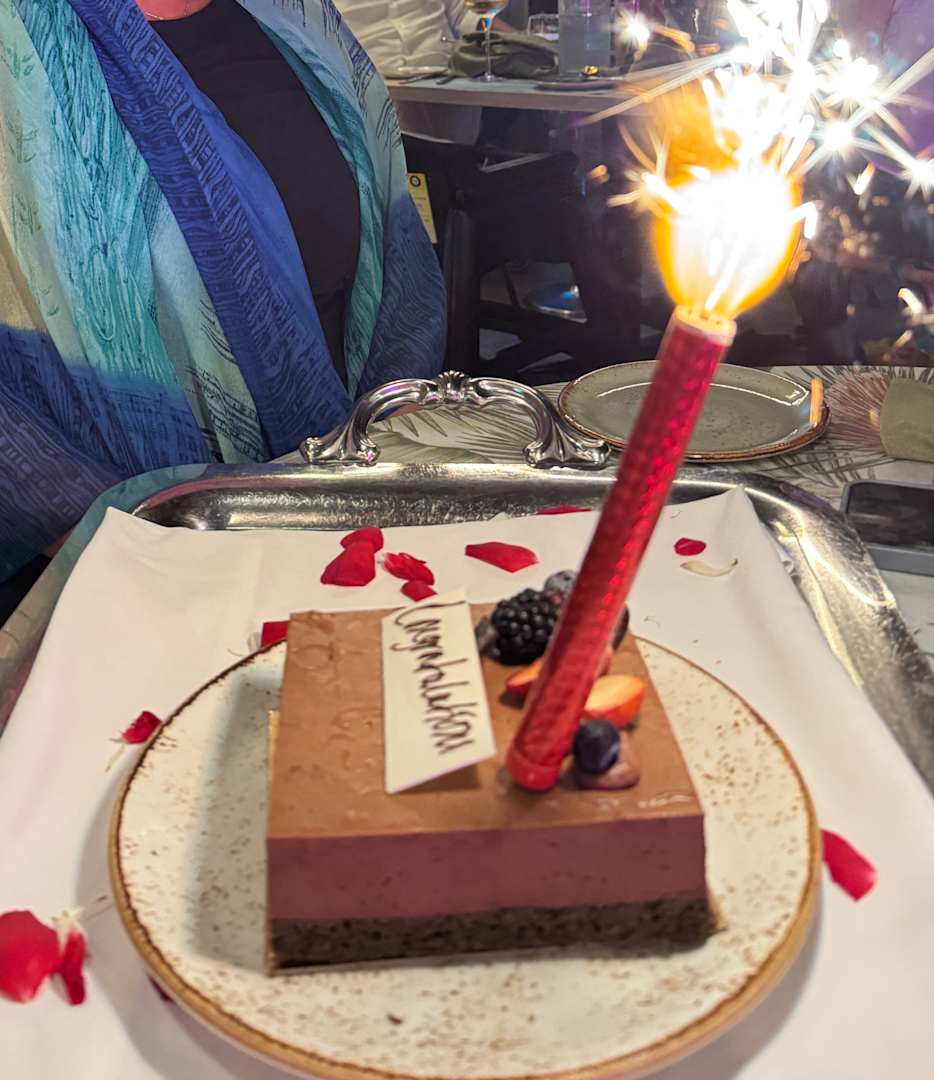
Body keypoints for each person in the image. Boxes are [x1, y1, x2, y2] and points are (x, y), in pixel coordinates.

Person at [0, 0, 445, 587]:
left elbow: (393, 263)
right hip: (114, 569)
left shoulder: (296, 18)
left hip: (352, 527)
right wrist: (128, 541)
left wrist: (390, 427)